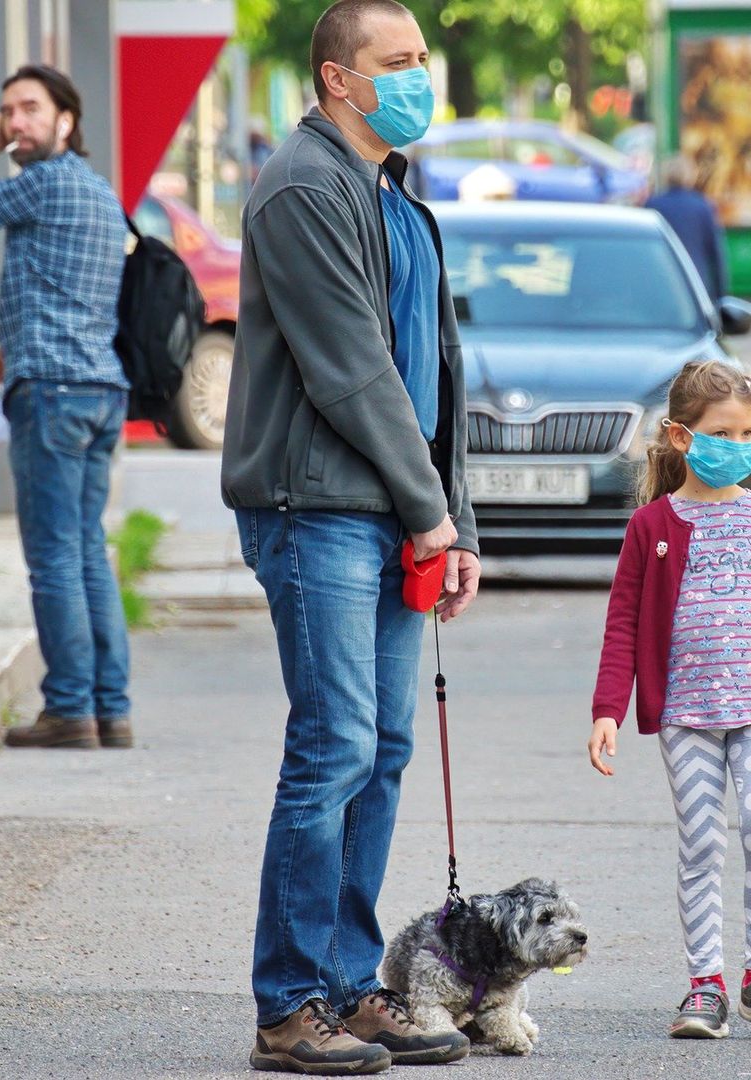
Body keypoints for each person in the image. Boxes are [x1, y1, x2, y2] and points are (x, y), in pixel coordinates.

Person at [219, 0, 479, 1072]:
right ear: (339, 79)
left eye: (423, 57)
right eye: (399, 61)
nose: (421, 75)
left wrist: (451, 520)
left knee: (382, 749)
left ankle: (346, 987)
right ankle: (288, 1009)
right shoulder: (302, 187)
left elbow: (440, 379)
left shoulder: (396, 198)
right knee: (332, 748)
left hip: (390, 508)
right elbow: (351, 372)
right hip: (315, 508)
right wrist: (425, 511)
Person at [589, 360, 751, 1041]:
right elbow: (623, 623)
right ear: (680, 438)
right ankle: (705, 985)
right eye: (724, 431)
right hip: (686, 717)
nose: (740, 444)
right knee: (701, 843)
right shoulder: (652, 526)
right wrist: (608, 709)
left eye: (749, 431)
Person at [0, 65, 133, 751]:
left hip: (52, 392)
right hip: (97, 388)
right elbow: (68, 295)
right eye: (6, 111)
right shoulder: (100, 194)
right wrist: (8, 348)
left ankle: (69, 708)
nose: (16, 122)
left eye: (28, 110)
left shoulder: (41, 183)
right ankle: (110, 708)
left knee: (53, 558)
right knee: (85, 552)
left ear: (66, 121)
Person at [645, 156, 729, 301]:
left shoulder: (653, 205)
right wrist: (721, 295)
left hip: (662, 283)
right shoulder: (703, 206)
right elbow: (716, 254)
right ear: (690, 177)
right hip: (696, 283)